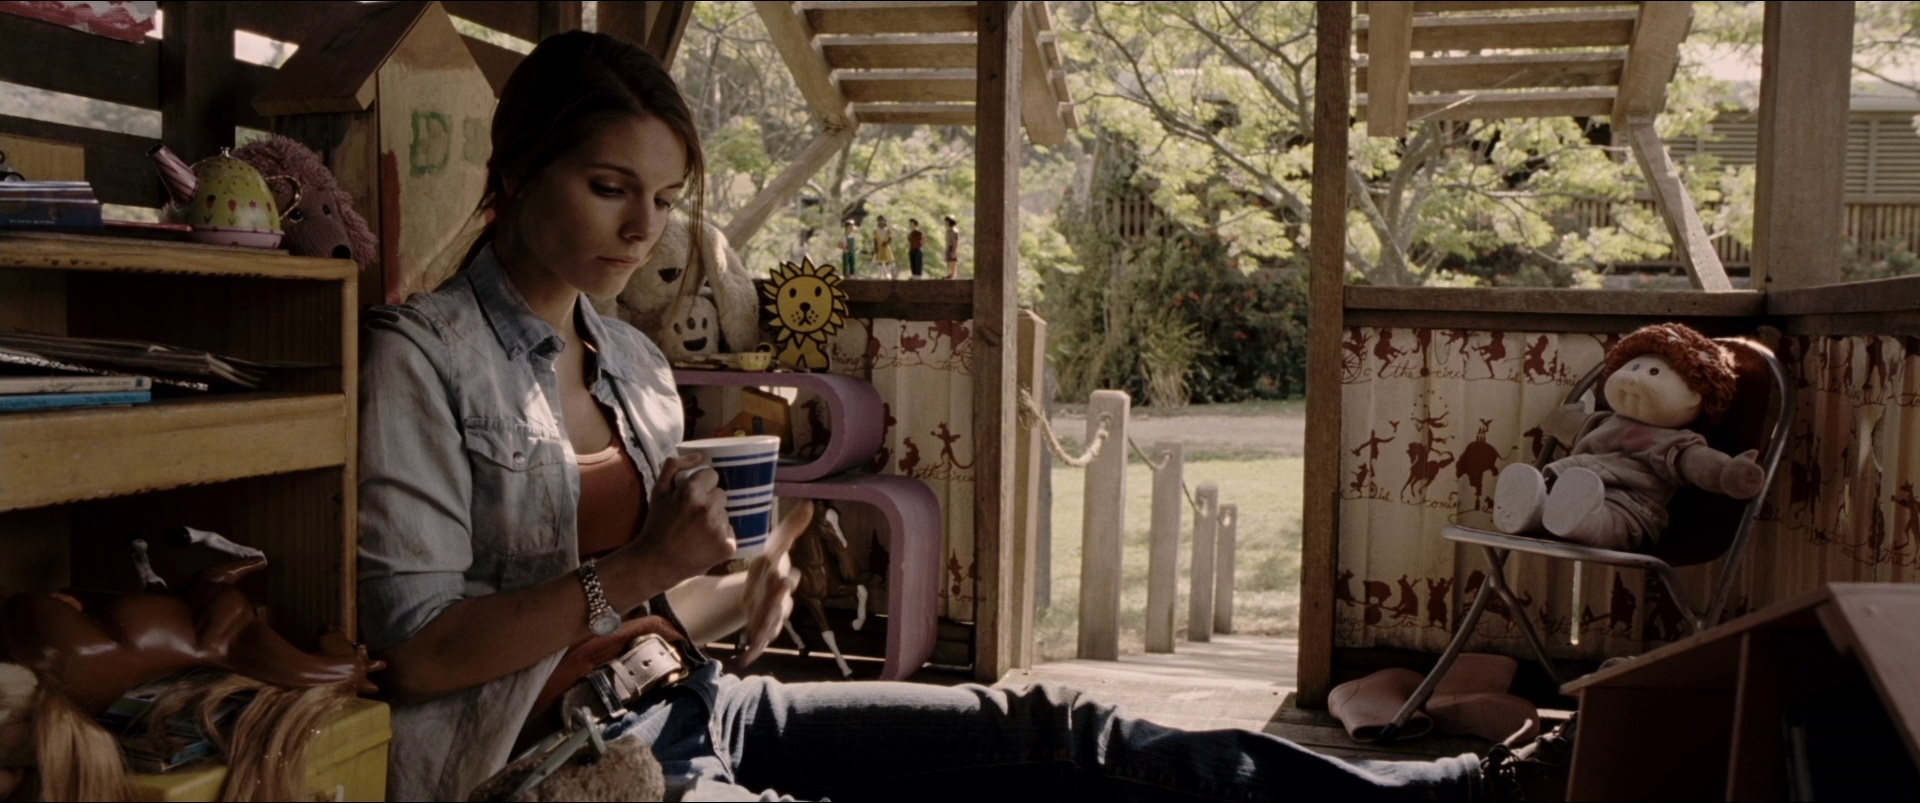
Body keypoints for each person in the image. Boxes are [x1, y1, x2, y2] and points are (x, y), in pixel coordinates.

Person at [359, 30, 1511, 802]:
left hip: (693, 696)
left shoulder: (633, 362)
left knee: (1050, 725)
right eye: (610, 187)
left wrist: (741, 587)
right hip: (564, 759)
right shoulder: (423, 360)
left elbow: (656, 604)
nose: (641, 228)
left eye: (661, 200)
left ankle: (1436, 789)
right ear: (519, 170)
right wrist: (643, 565)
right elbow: (418, 655)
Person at [870, 214, 897, 279]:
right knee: (879, 261)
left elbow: (890, 238)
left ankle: (888, 273)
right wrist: (875, 248)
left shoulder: (888, 230)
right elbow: (875, 239)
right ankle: (880, 274)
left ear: (885, 221)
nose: (881, 222)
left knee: (887, 261)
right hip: (879, 247)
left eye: (882, 220)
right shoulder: (875, 230)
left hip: (886, 247)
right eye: (879, 220)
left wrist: (887, 243)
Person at [943, 214, 962, 278]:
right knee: (948, 261)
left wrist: (954, 251)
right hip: (948, 247)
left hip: (952, 247)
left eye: (947, 222)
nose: (945, 224)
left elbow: (955, 242)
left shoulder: (954, 231)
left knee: (952, 262)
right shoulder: (948, 231)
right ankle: (949, 274)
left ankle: (952, 275)